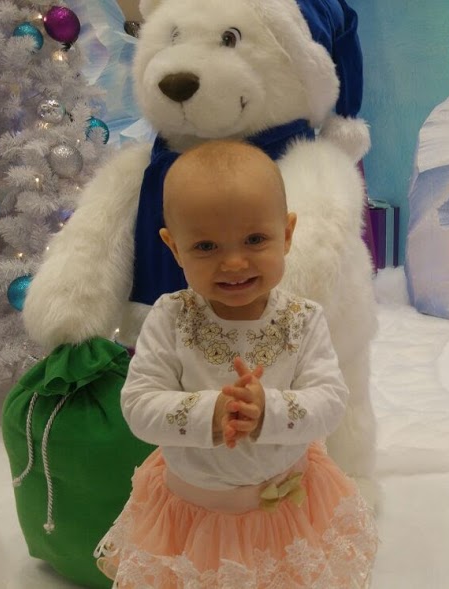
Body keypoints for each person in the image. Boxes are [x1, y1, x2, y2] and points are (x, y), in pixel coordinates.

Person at [94, 140, 377, 588]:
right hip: (193, 521)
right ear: (174, 247)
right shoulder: (171, 318)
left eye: (255, 240)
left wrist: (270, 410)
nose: (234, 262)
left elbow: (330, 401)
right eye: (206, 246)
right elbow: (139, 405)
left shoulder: (302, 320)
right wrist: (211, 411)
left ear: (286, 234)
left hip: (286, 514)